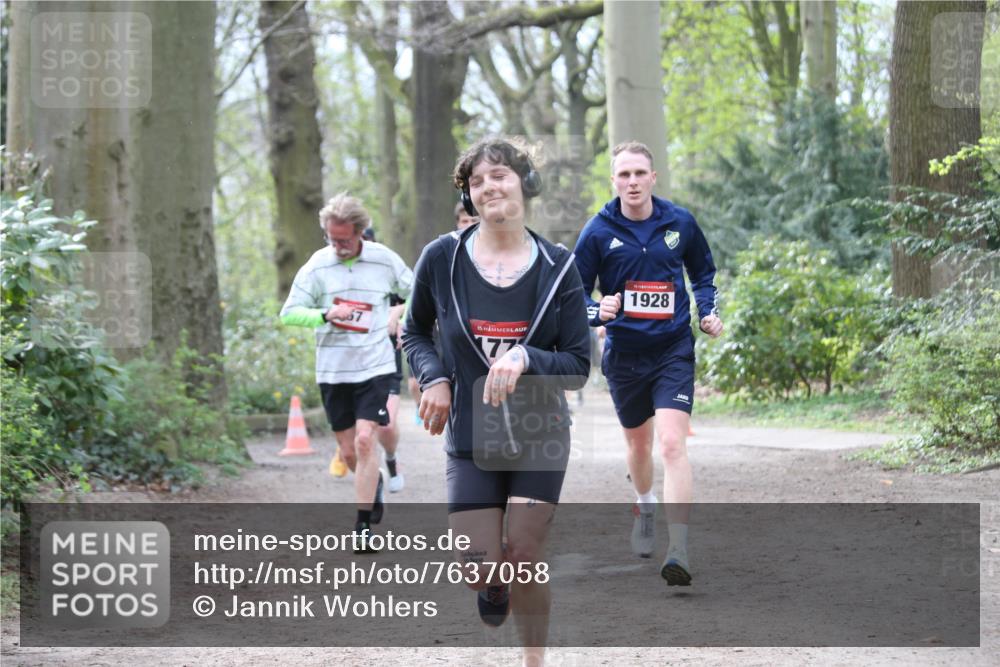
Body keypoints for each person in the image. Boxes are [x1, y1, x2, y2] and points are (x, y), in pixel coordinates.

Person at [403, 138, 589, 667]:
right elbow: (414, 332)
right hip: (469, 434)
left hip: (539, 432)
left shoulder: (559, 267)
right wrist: (434, 377)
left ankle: (533, 662)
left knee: (525, 556)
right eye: (477, 181)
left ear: (524, 184)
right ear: (469, 194)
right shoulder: (442, 258)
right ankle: (493, 587)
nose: (489, 187)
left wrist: (527, 358)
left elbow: (577, 363)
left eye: (500, 175)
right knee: (480, 570)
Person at [573, 141, 723, 586]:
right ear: (613, 180)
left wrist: (707, 310)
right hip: (624, 355)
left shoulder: (680, 222)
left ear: (653, 178)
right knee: (639, 448)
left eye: (640, 173)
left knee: (673, 445)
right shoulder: (597, 231)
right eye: (624, 175)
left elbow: (703, 272)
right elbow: (576, 292)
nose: (633, 182)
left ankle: (678, 549)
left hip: (673, 349)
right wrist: (598, 310)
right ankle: (644, 503)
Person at [280, 193, 413, 551]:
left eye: (344, 239)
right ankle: (375, 486)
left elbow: (418, 292)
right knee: (350, 454)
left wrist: (399, 315)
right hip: (334, 371)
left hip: (375, 365)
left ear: (360, 233)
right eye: (331, 238)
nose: (337, 246)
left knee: (366, 440)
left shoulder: (384, 260)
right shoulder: (317, 266)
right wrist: (324, 315)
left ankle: (362, 526)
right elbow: (289, 313)